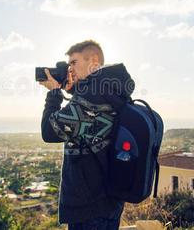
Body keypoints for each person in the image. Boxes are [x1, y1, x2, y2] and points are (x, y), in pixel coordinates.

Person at [39, 40, 135, 230]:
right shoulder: (109, 91)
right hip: (106, 199)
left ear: (94, 61)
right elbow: (89, 121)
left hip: (90, 206)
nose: (70, 69)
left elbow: (49, 131)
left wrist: (54, 94)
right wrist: (73, 90)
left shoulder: (92, 98)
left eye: (73, 62)